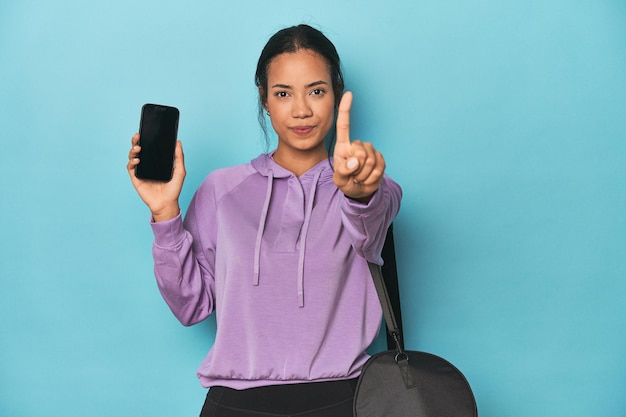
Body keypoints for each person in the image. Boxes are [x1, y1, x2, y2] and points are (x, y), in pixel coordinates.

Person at [127, 24, 402, 417]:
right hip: (234, 404)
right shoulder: (222, 189)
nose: (302, 109)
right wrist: (164, 212)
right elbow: (191, 307)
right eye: (283, 93)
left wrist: (360, 191)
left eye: (317, 90)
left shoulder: (373, 188)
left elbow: (371, 215)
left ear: (337, 92)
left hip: (344, 401)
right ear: (265, 99)